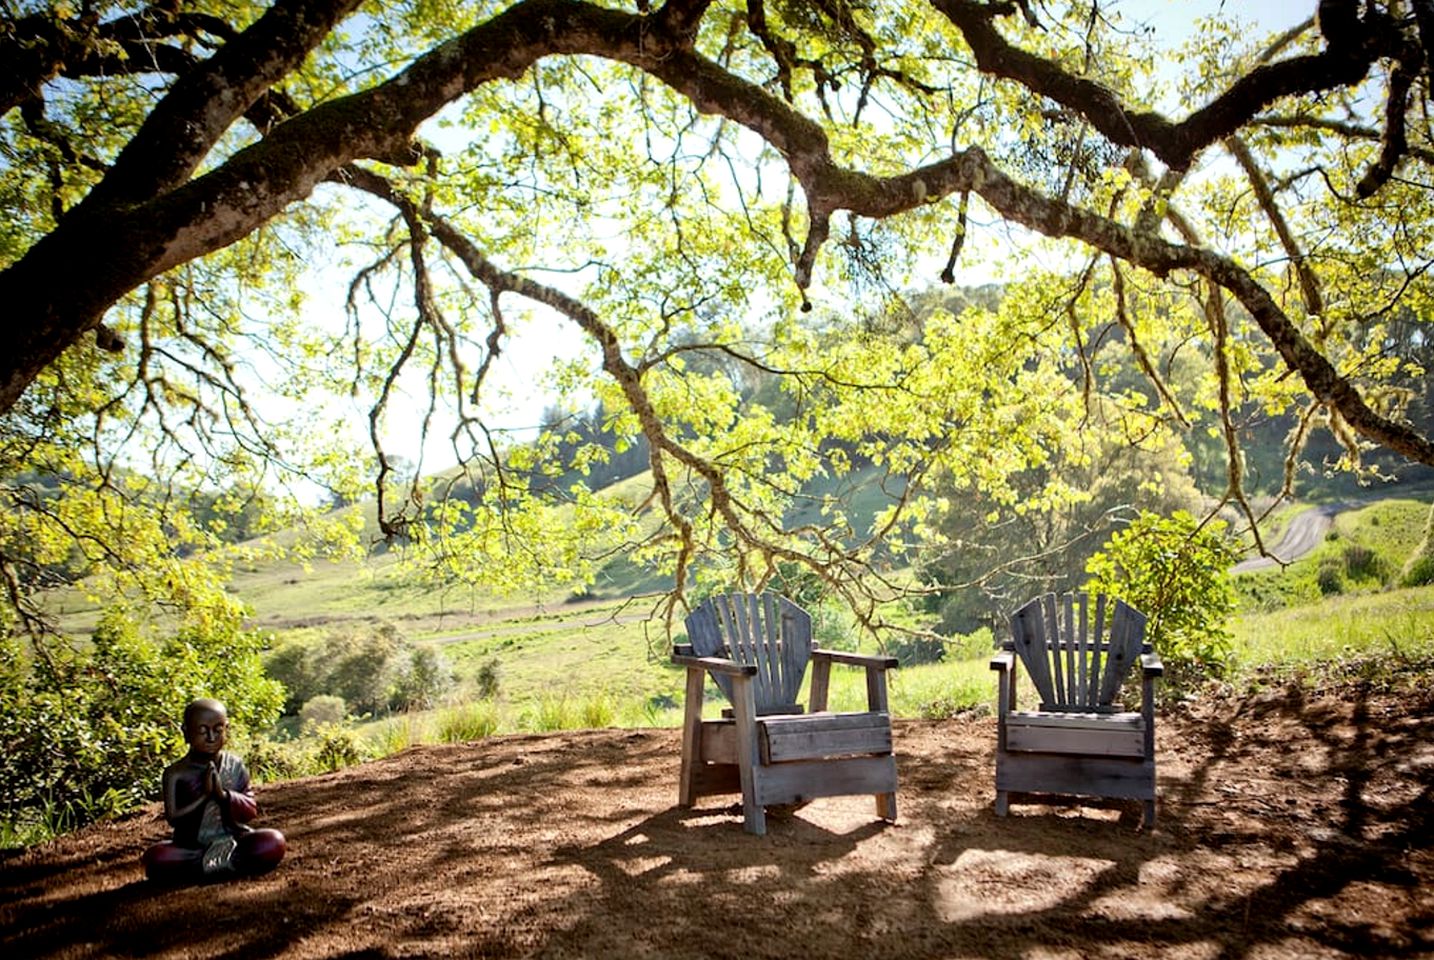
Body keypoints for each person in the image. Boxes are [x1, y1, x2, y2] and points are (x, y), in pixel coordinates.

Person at [142, 698, 286, 881]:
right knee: (156, 858)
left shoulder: (235, 765)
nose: (211, 737)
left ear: (227, 730)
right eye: (203, 731)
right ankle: (223, 864)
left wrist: (224, 796)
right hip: (192, 847)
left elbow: (250, 810)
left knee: (273, 841)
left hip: (232, 840)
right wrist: (205, 796)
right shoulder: (175, 773)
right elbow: (174, 818)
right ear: (186, 732)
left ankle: (205, 868)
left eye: (218, 730)